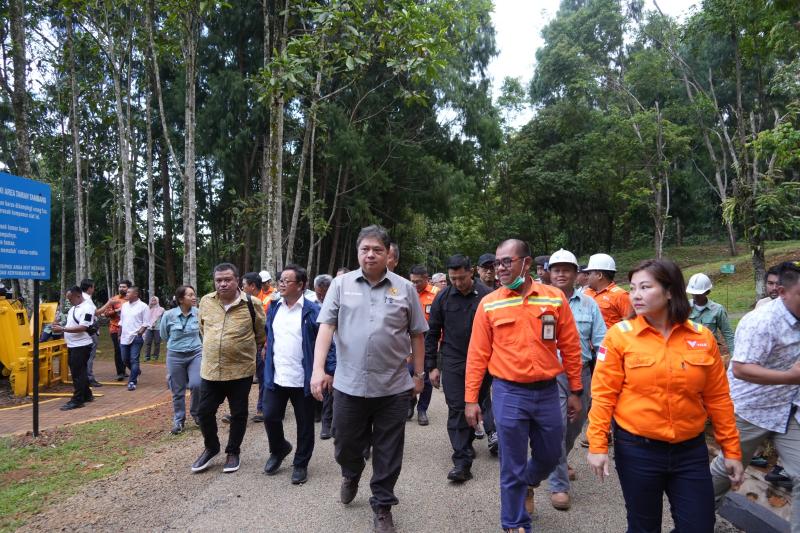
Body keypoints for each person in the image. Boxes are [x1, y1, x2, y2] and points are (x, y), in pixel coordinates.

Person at [587, 259, 743, 533]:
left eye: (645, 287)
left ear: (670, 291)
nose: (635, 294)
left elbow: (718, 398)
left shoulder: (702, 337)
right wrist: (597, 444)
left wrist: (731, 450)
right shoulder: (619, 337)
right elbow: (603, 394)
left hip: (690, 451)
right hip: (637, 450)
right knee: (643, 525)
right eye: (633, 287)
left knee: (700, 525)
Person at [311, 225, 428, 533]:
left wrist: (418, 375)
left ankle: (383, 505)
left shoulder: (405, 288)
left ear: (388, 253)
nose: (371, 254)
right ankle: (351, 472)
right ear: (358, 252)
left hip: (392, 386)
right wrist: (317, 369)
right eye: (365, 249)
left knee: (389, 449)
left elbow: (417, 334)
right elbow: (326, 328)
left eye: (377, 249)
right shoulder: (341, 284)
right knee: (345, 443)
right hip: (349, 385)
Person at [465, 239, 584, 533]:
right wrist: (471, 399)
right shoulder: (489, 304)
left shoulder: (554, 299)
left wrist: (576, 391)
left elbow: (570, 346)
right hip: (509, 393)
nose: (500, 268)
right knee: (511, 463)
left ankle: (530, 481)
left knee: (550, 454)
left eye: (507, 261)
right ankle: (514, 523)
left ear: (526, 263)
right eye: (496, 263)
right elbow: (477, 355)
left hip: (547, 390)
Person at [709, 260, 800, 530]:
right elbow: (740, 369)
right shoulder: (761, 321)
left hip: (790, 410)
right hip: (751, 408)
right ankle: (696, 513)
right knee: (728, 466)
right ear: (782, 292)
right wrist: (790, 377)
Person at [262, 264, 335, 485]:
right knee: (270, 415)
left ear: (301, 285)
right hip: (276, 375)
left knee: (305, 424)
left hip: (303, 378)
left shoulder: (313, 311)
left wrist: (328, 371)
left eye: (287, 280)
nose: (281, 284)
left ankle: (301, 463)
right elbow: (269, 336)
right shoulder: (274, 307)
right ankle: (279, 449)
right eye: (280, 280)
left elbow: (329, 343)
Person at [545, 249, 607, 511]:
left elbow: (602, 342)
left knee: (575, 424)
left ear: (576, 274)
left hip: (581, 372)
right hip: (550, 374)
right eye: (556, 269)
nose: (561, 273)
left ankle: (558, 459)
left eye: (566, 269)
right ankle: (558, 484)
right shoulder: (541, 302)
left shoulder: (589, 304)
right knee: (557, 426)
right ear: (549, 272)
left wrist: (605, 370)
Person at [425, 254, 494, 483]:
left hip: (484, 361)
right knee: (456, 407)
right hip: (453, 359)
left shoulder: (487, 297)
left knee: (473, 405)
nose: (457, 283)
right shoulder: (443, 298)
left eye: (462, 278)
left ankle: (465, 443)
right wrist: (431, 366)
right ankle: (462, 461)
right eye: (453, 279)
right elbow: (432, 333)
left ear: (471, 272)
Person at [192, 263, 266, 474]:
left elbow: (260, 335)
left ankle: (233, 451)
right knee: (204, 412)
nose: (223, 284)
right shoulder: (206, 302)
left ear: (237, 280)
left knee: (239, 413)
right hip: (211, 370)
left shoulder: (253, 304)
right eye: (219, 280)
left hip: (240, 371)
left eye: (228, 279)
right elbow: (203, 330)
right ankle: (211, 447)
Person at [160, 285, 202, 435]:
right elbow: (164, 335)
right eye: (190, 295)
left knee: (197, 384)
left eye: (194, 294)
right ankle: (179, 420)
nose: (193, 297)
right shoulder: (169, 315)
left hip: (195, 353)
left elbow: (203, 332)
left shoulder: (199, 313)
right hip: (175, 355)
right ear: (180, 299)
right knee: (177, 390)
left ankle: (196, 414)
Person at [52, 286, 96, 410]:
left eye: (70, 298)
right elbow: (71, 324)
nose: (69, 301)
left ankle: (78, 400)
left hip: (81, 345)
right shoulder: (73, 308)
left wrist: (63, 329)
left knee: (78, 373)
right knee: (79, 371)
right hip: (73, 345)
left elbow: (82, 327)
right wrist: (60, 326)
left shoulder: (88, 308)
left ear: (78, 296)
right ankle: (87, 394)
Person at [408, 264, 439, 425]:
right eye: (412, 281)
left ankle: (422, 409)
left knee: (424, 377)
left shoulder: (436, 294)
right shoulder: (406, 291)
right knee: (407, 373)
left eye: (418, 282)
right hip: (407, 338)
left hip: (428, 338)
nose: (414, 285)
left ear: (427, 279)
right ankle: (409, 402)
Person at [685, 273, 735, 355]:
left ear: (707, 292)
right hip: (689, 353)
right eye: (693, 293)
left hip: (710, 353)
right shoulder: (685, 307)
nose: (695, 296)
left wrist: (734, 356)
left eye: (698, 294)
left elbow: (728, 334)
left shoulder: (718, 310)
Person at [242, 272, 268, 423]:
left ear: (252, 286)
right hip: (248, 347)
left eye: (244, 285)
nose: (242, 288)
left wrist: (265, 345)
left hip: (261, 346)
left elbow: (268, 326)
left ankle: (262, 409)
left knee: (264, 377)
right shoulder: (245, 301)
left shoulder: (266, 301)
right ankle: (239, 411)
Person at [583, 253, 632, 328]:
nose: (587, 277)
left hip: (611, 339)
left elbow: (631, 324)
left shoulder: (620, 296)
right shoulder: (586, 293)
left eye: (589, 273)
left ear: (599, 275)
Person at [313, 274, 335, 439]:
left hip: (334, 353)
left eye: (324, 293)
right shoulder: (311, 306)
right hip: (315, 352)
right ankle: (317, 414)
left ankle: (327, 423)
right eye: (318, 293)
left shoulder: (337, 305)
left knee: (329, 389)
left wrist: (330, 369)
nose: (321, 297)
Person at [96, 280, 131, 381]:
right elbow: (106, 314)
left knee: (126, 350)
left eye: (124, 287)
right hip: (115, 328)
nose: (121, 288)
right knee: (118, 350)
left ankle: (124, 370)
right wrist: (116, 311)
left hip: (129, 329)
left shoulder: (131, 300)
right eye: (120, 287)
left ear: (128, 288)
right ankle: (120, 372)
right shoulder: (114, 299)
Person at [119, 287, 149, 391]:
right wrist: (119, 334)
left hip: (137, 337)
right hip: (124, 337)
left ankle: (132, 381)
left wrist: (140, 333)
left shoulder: (143, 306)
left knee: (134, 359)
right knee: (124, 359)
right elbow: (121, 322)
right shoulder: (124, 306)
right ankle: (136, 371)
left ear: (135, 294)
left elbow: (146, 322)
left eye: (128, 292)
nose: (126, 294)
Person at [79, 279, 102, 387]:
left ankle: (85, 377)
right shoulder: (87, 299)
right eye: (93, 287)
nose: (94, 289)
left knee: (86, 356)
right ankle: (89, 378)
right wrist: (109, 303)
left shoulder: (81, 297)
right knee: (89, 356)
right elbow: (96, 312)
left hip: (84, 330)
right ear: (89, 288)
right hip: (89, 330)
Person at [143, 296, 165, 361]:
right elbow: (145, 318)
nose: (153, 302)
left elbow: (164, 319)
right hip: (149, 328)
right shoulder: (147, 309)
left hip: (158, 328)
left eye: (154, 300)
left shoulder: (161, 309)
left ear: (157, 301)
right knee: (148, 342)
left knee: (157, 343)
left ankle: (156, 356)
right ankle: (147, 357)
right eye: (152, 300)